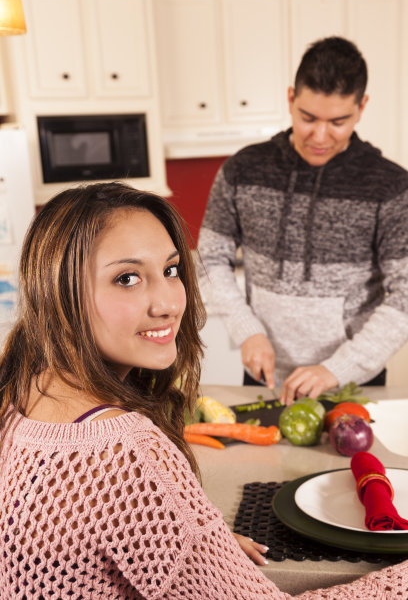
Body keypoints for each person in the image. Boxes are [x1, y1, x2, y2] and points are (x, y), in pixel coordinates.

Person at [0, 181, 407, 599]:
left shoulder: (19, 394)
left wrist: (195, 545)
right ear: (60, 294)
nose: (168, 303)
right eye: (126, 278)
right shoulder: (124, 449)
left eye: (171, 270)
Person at [197, 36, 408, 405]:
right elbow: (210, 258)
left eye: (338, 121)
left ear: (362, 107)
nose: (320, 136)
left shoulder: (391, 187)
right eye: (307, 118)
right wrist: (247, 332)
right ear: (291, 98)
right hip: (264, 376)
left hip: (352, 382)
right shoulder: (243, 170)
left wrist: (336, 369)